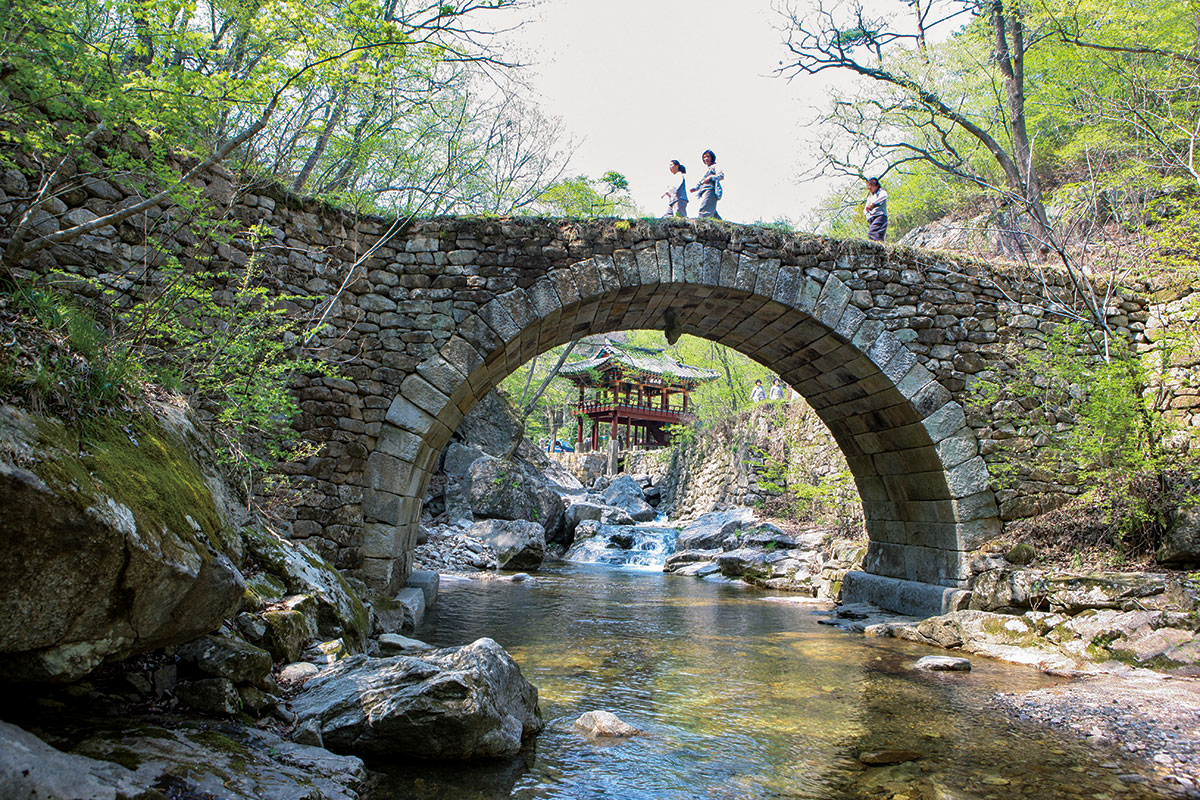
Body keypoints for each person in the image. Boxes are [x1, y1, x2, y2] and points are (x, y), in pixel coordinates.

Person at [690, 149, 724, 219]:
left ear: (712, 157)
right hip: (704, 191)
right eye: (704, 157)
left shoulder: (715, 166)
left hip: (710, 190)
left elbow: (721, 175)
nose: (706, 159)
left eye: (708, 157)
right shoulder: (707, 169)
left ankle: (701, 225)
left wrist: (711, 177)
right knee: (712, 211)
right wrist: (696, 188)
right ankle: (724, 226)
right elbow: (702, 181)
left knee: (705, 210)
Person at [864, 177, 888, 242]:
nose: (869, 188)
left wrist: (873, 204)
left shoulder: (881, 192)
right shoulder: (870, 197)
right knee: (878, 236)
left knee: (872, 233)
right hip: (872, 218)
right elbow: (865, 209)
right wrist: (867, 215)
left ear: (877, 186)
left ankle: (877, 248)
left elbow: (884, 196)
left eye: (871, 186)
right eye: (869, 186)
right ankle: (881, 248)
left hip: (880, 216)